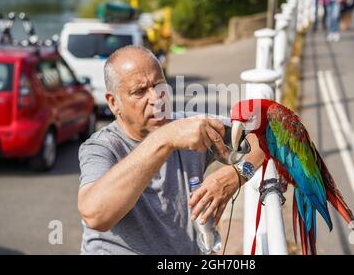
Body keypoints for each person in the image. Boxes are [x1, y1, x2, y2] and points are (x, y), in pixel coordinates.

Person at [77, 45, 263, 254]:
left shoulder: (189, 127)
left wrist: (236, 175)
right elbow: (95, 215)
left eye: (159, 85)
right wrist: (165, 139)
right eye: (139, 92)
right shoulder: (101, 147)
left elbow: (263, 137)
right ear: (113, 103)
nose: (156, 99)